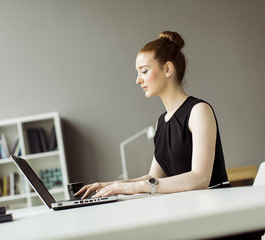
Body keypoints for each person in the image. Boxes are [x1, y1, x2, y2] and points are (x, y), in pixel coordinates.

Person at [75, 31, 263, 239]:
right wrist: (114, 186)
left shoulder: (199, 111)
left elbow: (200, 179)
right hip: (191, 216)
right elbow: (153, 177)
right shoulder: (161, 123)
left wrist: (137, 187)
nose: (138, 80)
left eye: (144, 71)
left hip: (220, 221)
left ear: (167, 69)